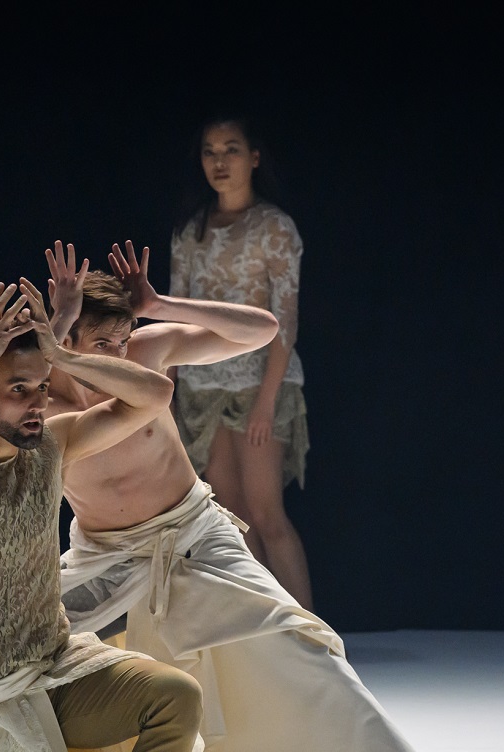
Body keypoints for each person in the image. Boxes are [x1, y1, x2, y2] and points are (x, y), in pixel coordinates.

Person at [50, 242, 414, 752]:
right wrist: (54, 344)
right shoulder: (40, 400)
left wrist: (159, 307)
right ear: (67, 337)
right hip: (104, 557)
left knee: (295, 649)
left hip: (194, 536)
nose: (117, 355)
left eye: (121, 340)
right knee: (27, 656)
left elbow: (261, 330)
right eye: (101, 345)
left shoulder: (149, 351)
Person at [0, 280, 203, 752]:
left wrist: (64, 355)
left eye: (42, 388)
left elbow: (155, 395)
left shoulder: (52, 444)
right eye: (18, 389)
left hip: (56, 672)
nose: (37, 403)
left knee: (175, 697)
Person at [169, 117, 312, 608]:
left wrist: (267, 402)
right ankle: (266, 634)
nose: (219, 161)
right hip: (203, 388)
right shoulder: (192, 231)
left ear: (254, 156)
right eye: (210, 151)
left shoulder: (274, 228)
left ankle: (312, 640)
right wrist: (163, 391)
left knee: (267, 513)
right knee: (232, 516)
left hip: (258, 383)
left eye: (231, 149)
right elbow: (172, 317)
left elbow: (285, 319)